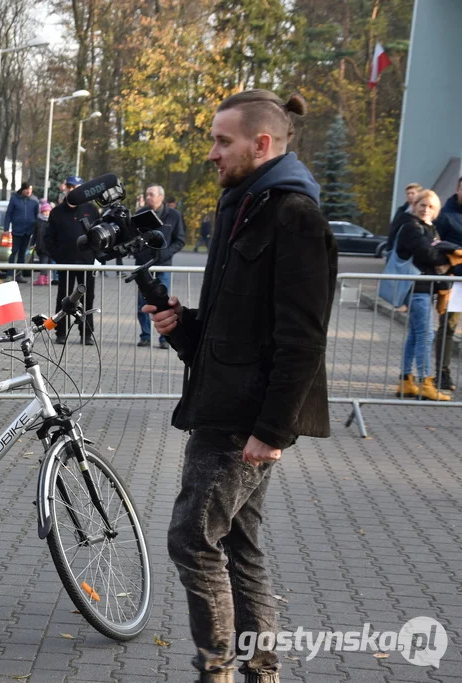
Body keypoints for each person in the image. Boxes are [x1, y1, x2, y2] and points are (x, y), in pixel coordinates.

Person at [145, 89, 338, 683]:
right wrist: (186, 330)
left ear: (262, 144)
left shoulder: (295, 216)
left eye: (222, 140)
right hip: (224, 404)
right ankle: (260, 671)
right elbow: (239, 326)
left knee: (192, 541)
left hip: (245, 420)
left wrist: (272, 429)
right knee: (239, 547)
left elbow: (302, 339)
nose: (211, 152)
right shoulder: (243, 203)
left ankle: (219, 672)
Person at [392, 190, 452, 401]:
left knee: (416, 335)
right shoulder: (411, 227)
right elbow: (426, 253)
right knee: (426, 334)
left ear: (436, 211)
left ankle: (406, 380)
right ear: (415, 206)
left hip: (424, 288)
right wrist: (444, 259)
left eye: (431, 207)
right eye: (422, 205)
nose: (426, 209)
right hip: (416, 287)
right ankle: (426, 382)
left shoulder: (429, 228)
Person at [45, 176, 99, 345]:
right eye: (70, 186)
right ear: (65, 187)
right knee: (64, 298)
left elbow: (99, 233)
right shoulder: (57, 212)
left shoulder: (90, 210)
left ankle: (86, 334)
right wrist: (59, 256)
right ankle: (60, 332)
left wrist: (95, 254)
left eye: (77, 187)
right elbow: (48, 239)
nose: (72, 189)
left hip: (86, 262)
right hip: (66, 263)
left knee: (87, 298)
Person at [135, 184, 186, 348]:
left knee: (163, 303)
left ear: (161, 197)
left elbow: (180, 240)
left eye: (151, 194)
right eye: (147, 194)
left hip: (163, 265)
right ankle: (145, 335)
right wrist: (139, 253)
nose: (148, 197)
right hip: (144, 266)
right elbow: (132, 239)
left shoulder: (174, 215)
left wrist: (165, 253)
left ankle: (165, 337)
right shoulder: (139, 214)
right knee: (142, 303)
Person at [433, 176, 462, 391]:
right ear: (457, 188)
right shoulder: (445, 216)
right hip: (455, 281)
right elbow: (435, 244)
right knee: (448, 328)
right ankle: (442, 373)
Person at [3, 182, 40, 282]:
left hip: (28, 231)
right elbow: (9, 214)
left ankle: (19, 275)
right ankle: (9, 274)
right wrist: (6, 228)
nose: (29, 191)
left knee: (22, 254)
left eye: (30, 190)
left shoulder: (34, 201)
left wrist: (36, 230)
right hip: (17, 230)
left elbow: (37, 216)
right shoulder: (14, 199)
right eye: (27, 189)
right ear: (22, 190)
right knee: (14, 251)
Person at [32, 200, 53, 286]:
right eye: (45, 211)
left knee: (46, 262)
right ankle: (45, 278)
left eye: (48, 211)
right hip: (40, 246)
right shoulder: (38, 221)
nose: (46, 213)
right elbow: (35, 233)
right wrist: (32, 243)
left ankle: (42, 278)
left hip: (48, 246)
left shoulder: (51, 221)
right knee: (44, 262)